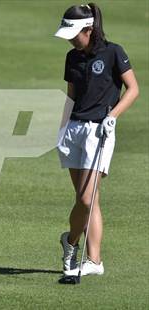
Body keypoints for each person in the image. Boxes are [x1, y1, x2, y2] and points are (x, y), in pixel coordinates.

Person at [54, 3, 139, 276]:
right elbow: (71, 96)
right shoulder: (72, 57)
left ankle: (84, 254)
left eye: (74, 33)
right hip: (74, 130)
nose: (69, 38)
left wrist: (113, 116)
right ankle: (80, 249)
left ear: (89, 29)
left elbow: (133, 89)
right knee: (86, 199)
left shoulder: (114, 52)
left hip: (99, 131)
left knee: (87, 198)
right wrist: (61, 129)